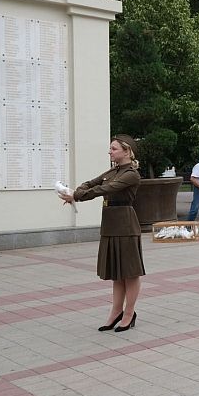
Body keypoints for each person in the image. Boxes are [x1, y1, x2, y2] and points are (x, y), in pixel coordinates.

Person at [61, 135, 144, 332]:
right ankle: (116, 312)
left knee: (130, 273)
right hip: (110, 223)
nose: (110, 152)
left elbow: (105, 188)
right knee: (117, 272)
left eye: (114, 149)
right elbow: (90, 183)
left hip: (125, 224)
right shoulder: (113, 170)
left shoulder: (131, 174)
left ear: (126, 151)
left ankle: (129, 313)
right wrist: (79, 191)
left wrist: (76, 195)